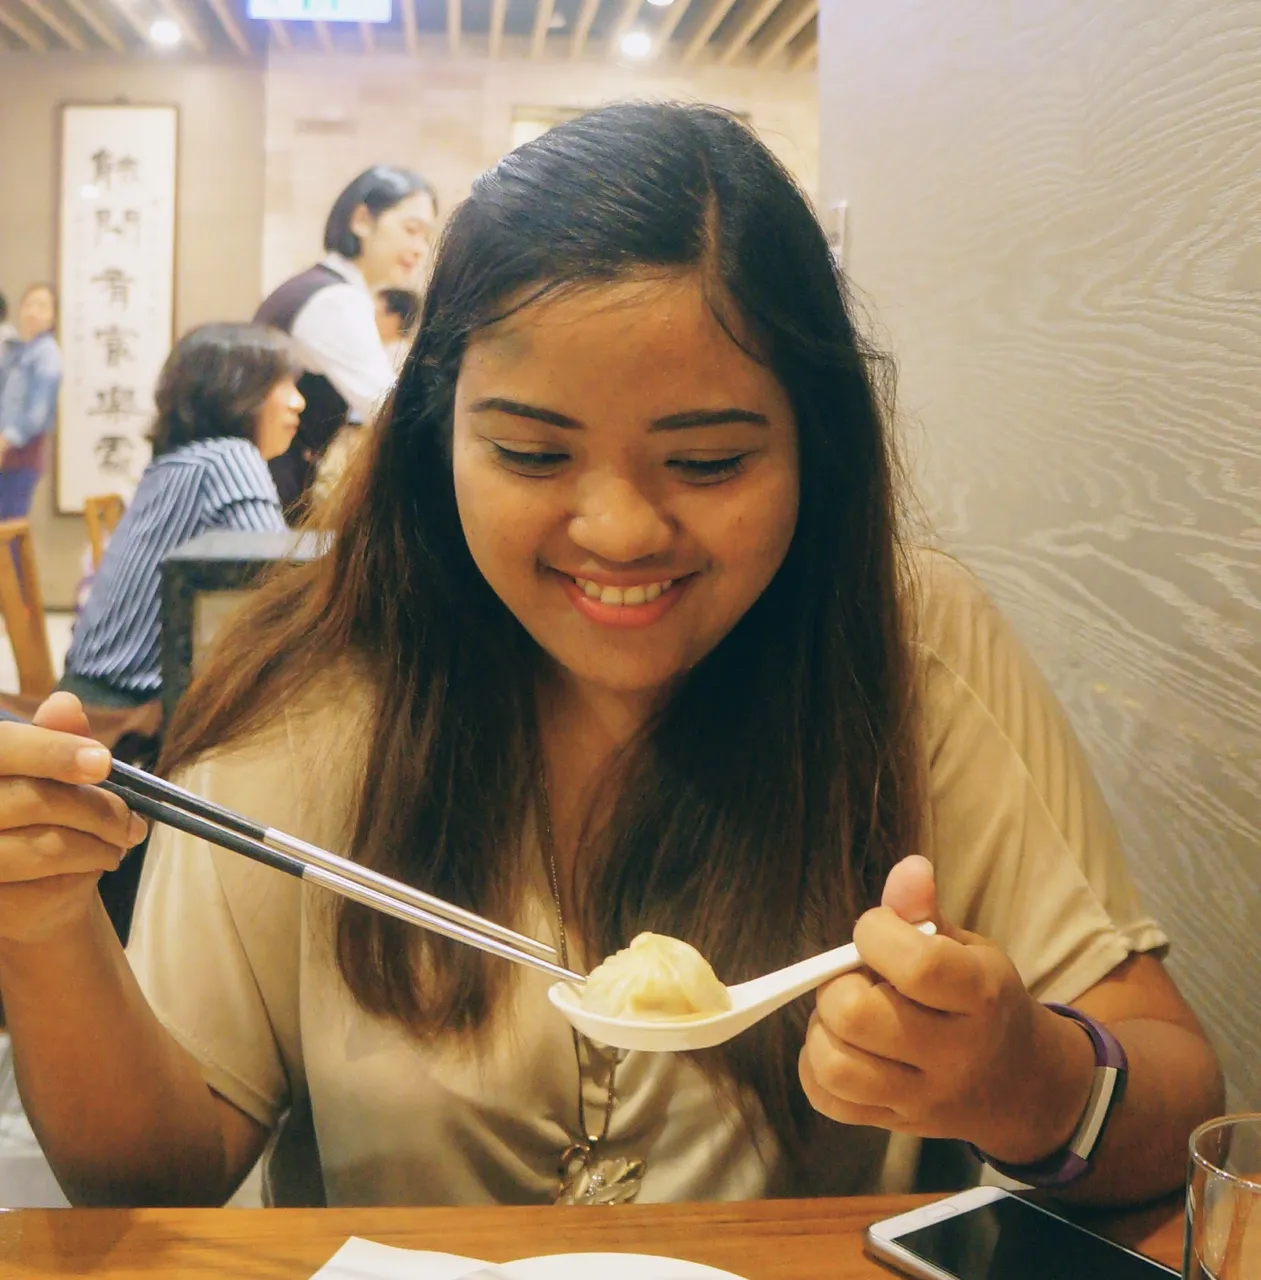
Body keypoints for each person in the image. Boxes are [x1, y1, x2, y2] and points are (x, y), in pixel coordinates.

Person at [0, 104, 1222, 1212]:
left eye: (708, 461)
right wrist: (47, 923)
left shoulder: (905, 643)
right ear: (436, 437)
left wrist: (1028, 1080)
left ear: (814, 443)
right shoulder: (319, 674)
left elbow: (1177, 1093)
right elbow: (155, 1174)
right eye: (533, 456)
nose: (623, 531)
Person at [59, 324, 301, 710]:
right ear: (235, 394)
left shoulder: (174, 464)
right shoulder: (229, 456)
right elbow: (277, 583)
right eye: (282, 385)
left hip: (85, 692)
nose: (298, 402)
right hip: (128, 716)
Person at [255, 166, 436, 520]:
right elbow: (388, 408)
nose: (419, 248)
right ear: (362, 220)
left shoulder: (321, 286)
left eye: (426, 236)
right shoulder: (336, 300)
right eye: (411, 229)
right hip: (271, 488)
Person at [0, 283, 61, 520]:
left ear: (53, 316)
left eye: (42, 306)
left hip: (21, 452)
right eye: (29, 304)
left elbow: (38, 413)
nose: (33, 311)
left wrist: (5, 441)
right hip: (9, 452)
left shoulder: (47, 354)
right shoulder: (18, 350)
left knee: (9, 531)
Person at [375, 286, 421, 372]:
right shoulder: (380, 346)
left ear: (396, 318)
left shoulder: (400, 355)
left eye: (379, 314)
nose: (375, 318)